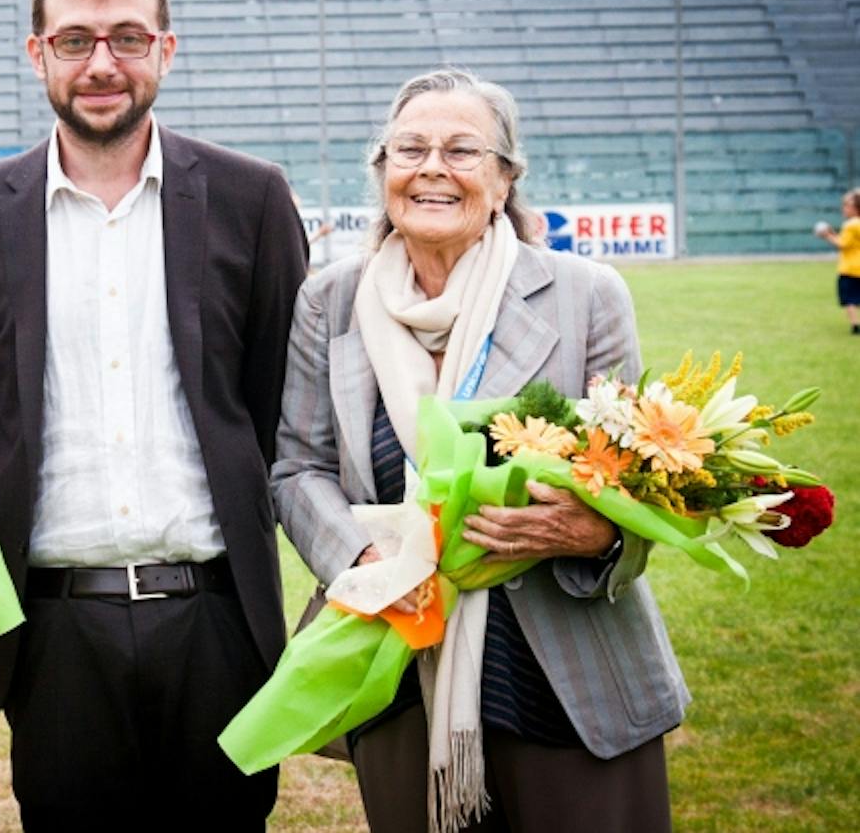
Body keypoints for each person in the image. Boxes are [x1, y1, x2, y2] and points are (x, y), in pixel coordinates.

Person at [0, 0, 309, 829]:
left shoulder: (253, 199)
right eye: (75, 40)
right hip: (55, 631)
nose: (103, 64)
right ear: (38, 54)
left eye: (128, 38)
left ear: (165, 50)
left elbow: (270, 396)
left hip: (216, 617)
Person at [272, 67, 688, 833]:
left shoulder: (585, 293)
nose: (433, 168)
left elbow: (636, 475)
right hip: (402, 654)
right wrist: (364, 565)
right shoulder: (330, 301)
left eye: (463, 151)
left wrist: (596, 532)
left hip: (568, 668)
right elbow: (298, 466)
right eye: (411, 149)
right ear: (384, 173)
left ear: (503, 181)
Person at [814, 188, 860, 334]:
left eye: (846, 206)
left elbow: (842, 244)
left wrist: (826, 235)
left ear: (855, 208)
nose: (843, 209)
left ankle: (855, 324)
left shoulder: (850, 225)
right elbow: (849, 241)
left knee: (849, 299)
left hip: (849, 268)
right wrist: (834, 233)